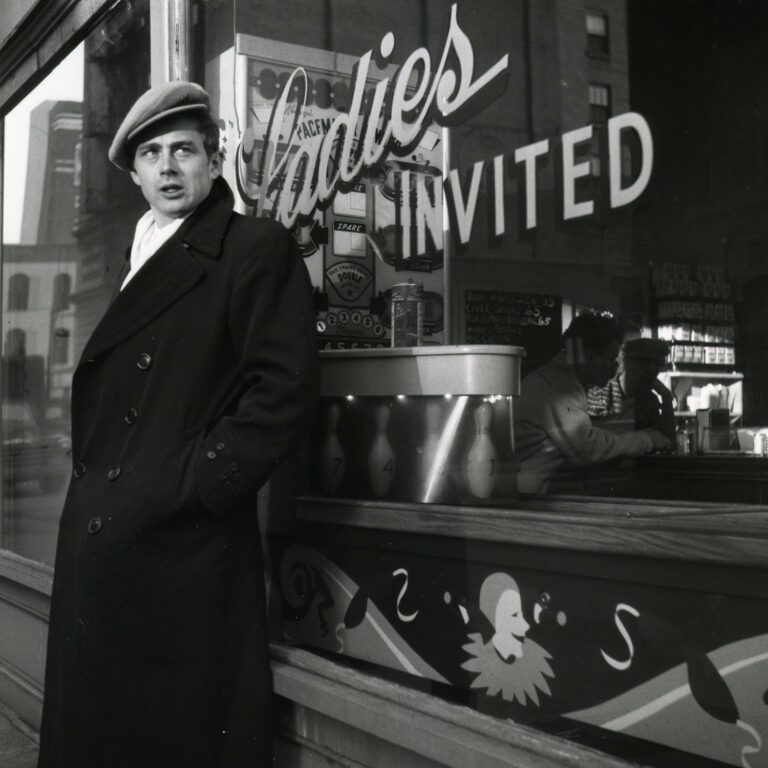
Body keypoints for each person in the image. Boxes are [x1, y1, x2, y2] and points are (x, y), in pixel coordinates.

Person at [37, 82, 319, 768]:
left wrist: (184, 486)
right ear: (134, 173)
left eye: (185, 150)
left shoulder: (252, 248)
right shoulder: (137, 258)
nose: (168, 166)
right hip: (110, 559)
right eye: (152, 153)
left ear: (213, 161)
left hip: (179, 558)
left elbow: (282, 395)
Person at [515, 313, 670, 494]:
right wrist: (645, 440)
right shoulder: (558, 387)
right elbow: (586, 449)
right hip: (529, 497)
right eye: (610, 358)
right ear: (587, 355)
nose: (614, 367)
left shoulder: (558, 378)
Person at [588, 337, 676, 443]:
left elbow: (667, 443)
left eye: (657, 366)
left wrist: (666, 397)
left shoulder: (649, 401)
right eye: (647, 363)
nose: (652, 371)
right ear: (628, 362)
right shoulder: (601, 395)